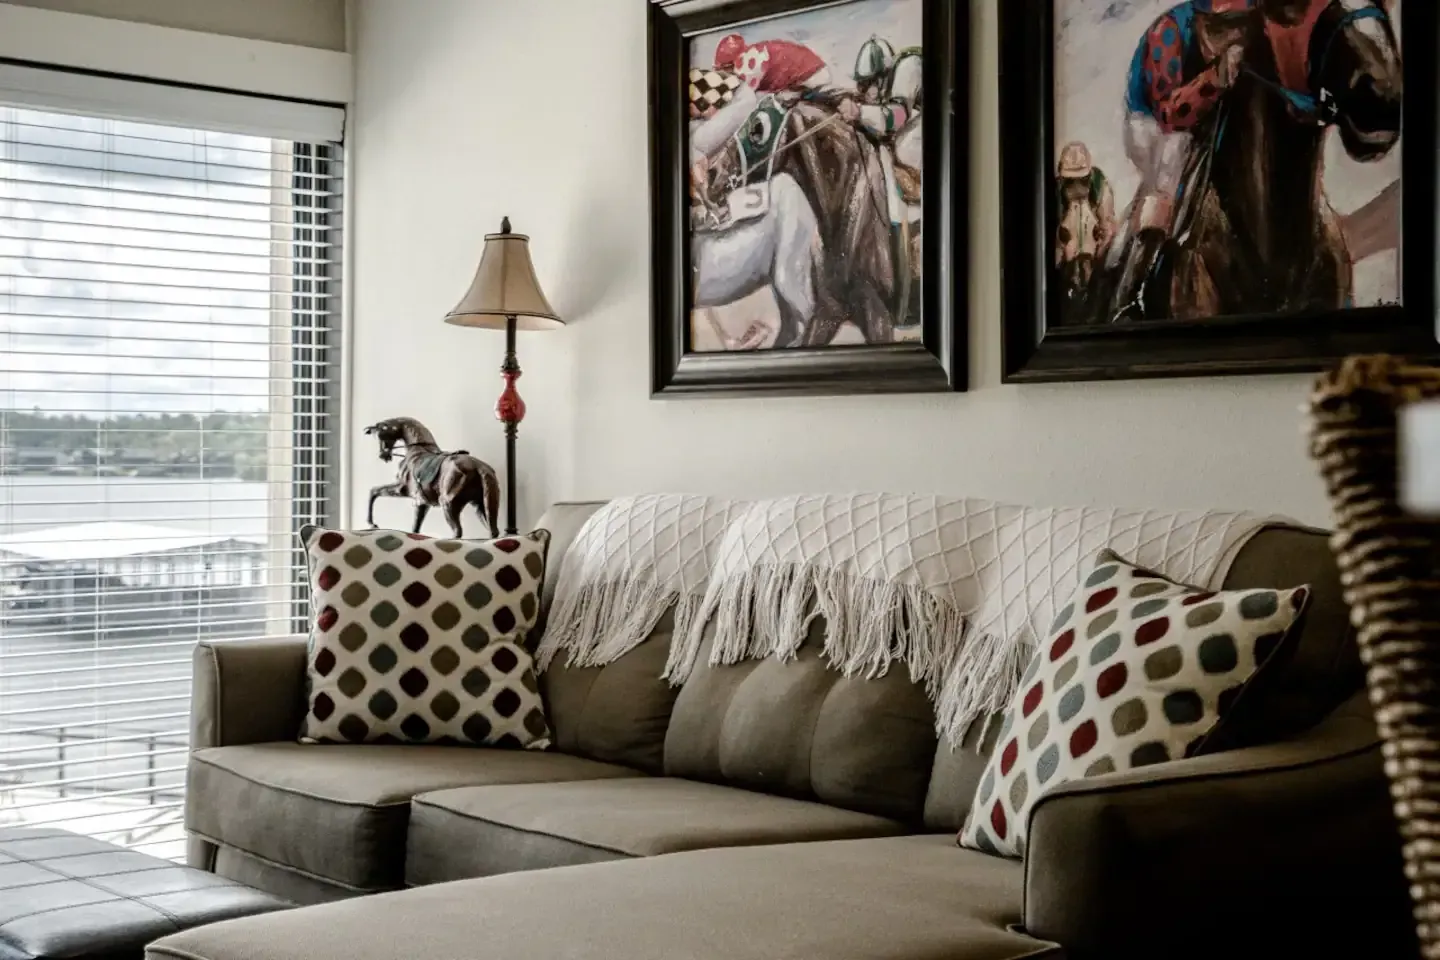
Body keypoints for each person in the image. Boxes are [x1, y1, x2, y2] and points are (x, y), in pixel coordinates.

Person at [1107, 0, 1259, 321]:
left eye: (1242, 25)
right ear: (1201, 21)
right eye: (1222, 28)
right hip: (1151, 122)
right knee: (1175, 155)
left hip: (1205, 112)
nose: (1235, 36)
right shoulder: (1169, 32)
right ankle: (1139, 278)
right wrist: (1216, 76)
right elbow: (1169, 114)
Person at [838, 37, 924, 325]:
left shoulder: (910, 66)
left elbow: (896, 117)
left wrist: (860, 112)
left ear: (881, 76)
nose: (866, 92)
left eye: (867, 84)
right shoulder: (883, 84)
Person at [712, 33, 832, 100]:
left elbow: (745, 100)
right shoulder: (752, 52)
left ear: (730, 64)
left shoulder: (746, 65)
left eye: (724, 70)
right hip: (813, 72)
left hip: (811, 77)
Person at [1054, 141, 1117, 263]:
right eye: (1070, 182)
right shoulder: (1057, 192)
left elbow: (1108, 226)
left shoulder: (1100, 187)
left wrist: (1099, 254)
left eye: (1082, 180)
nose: (1077, 188)